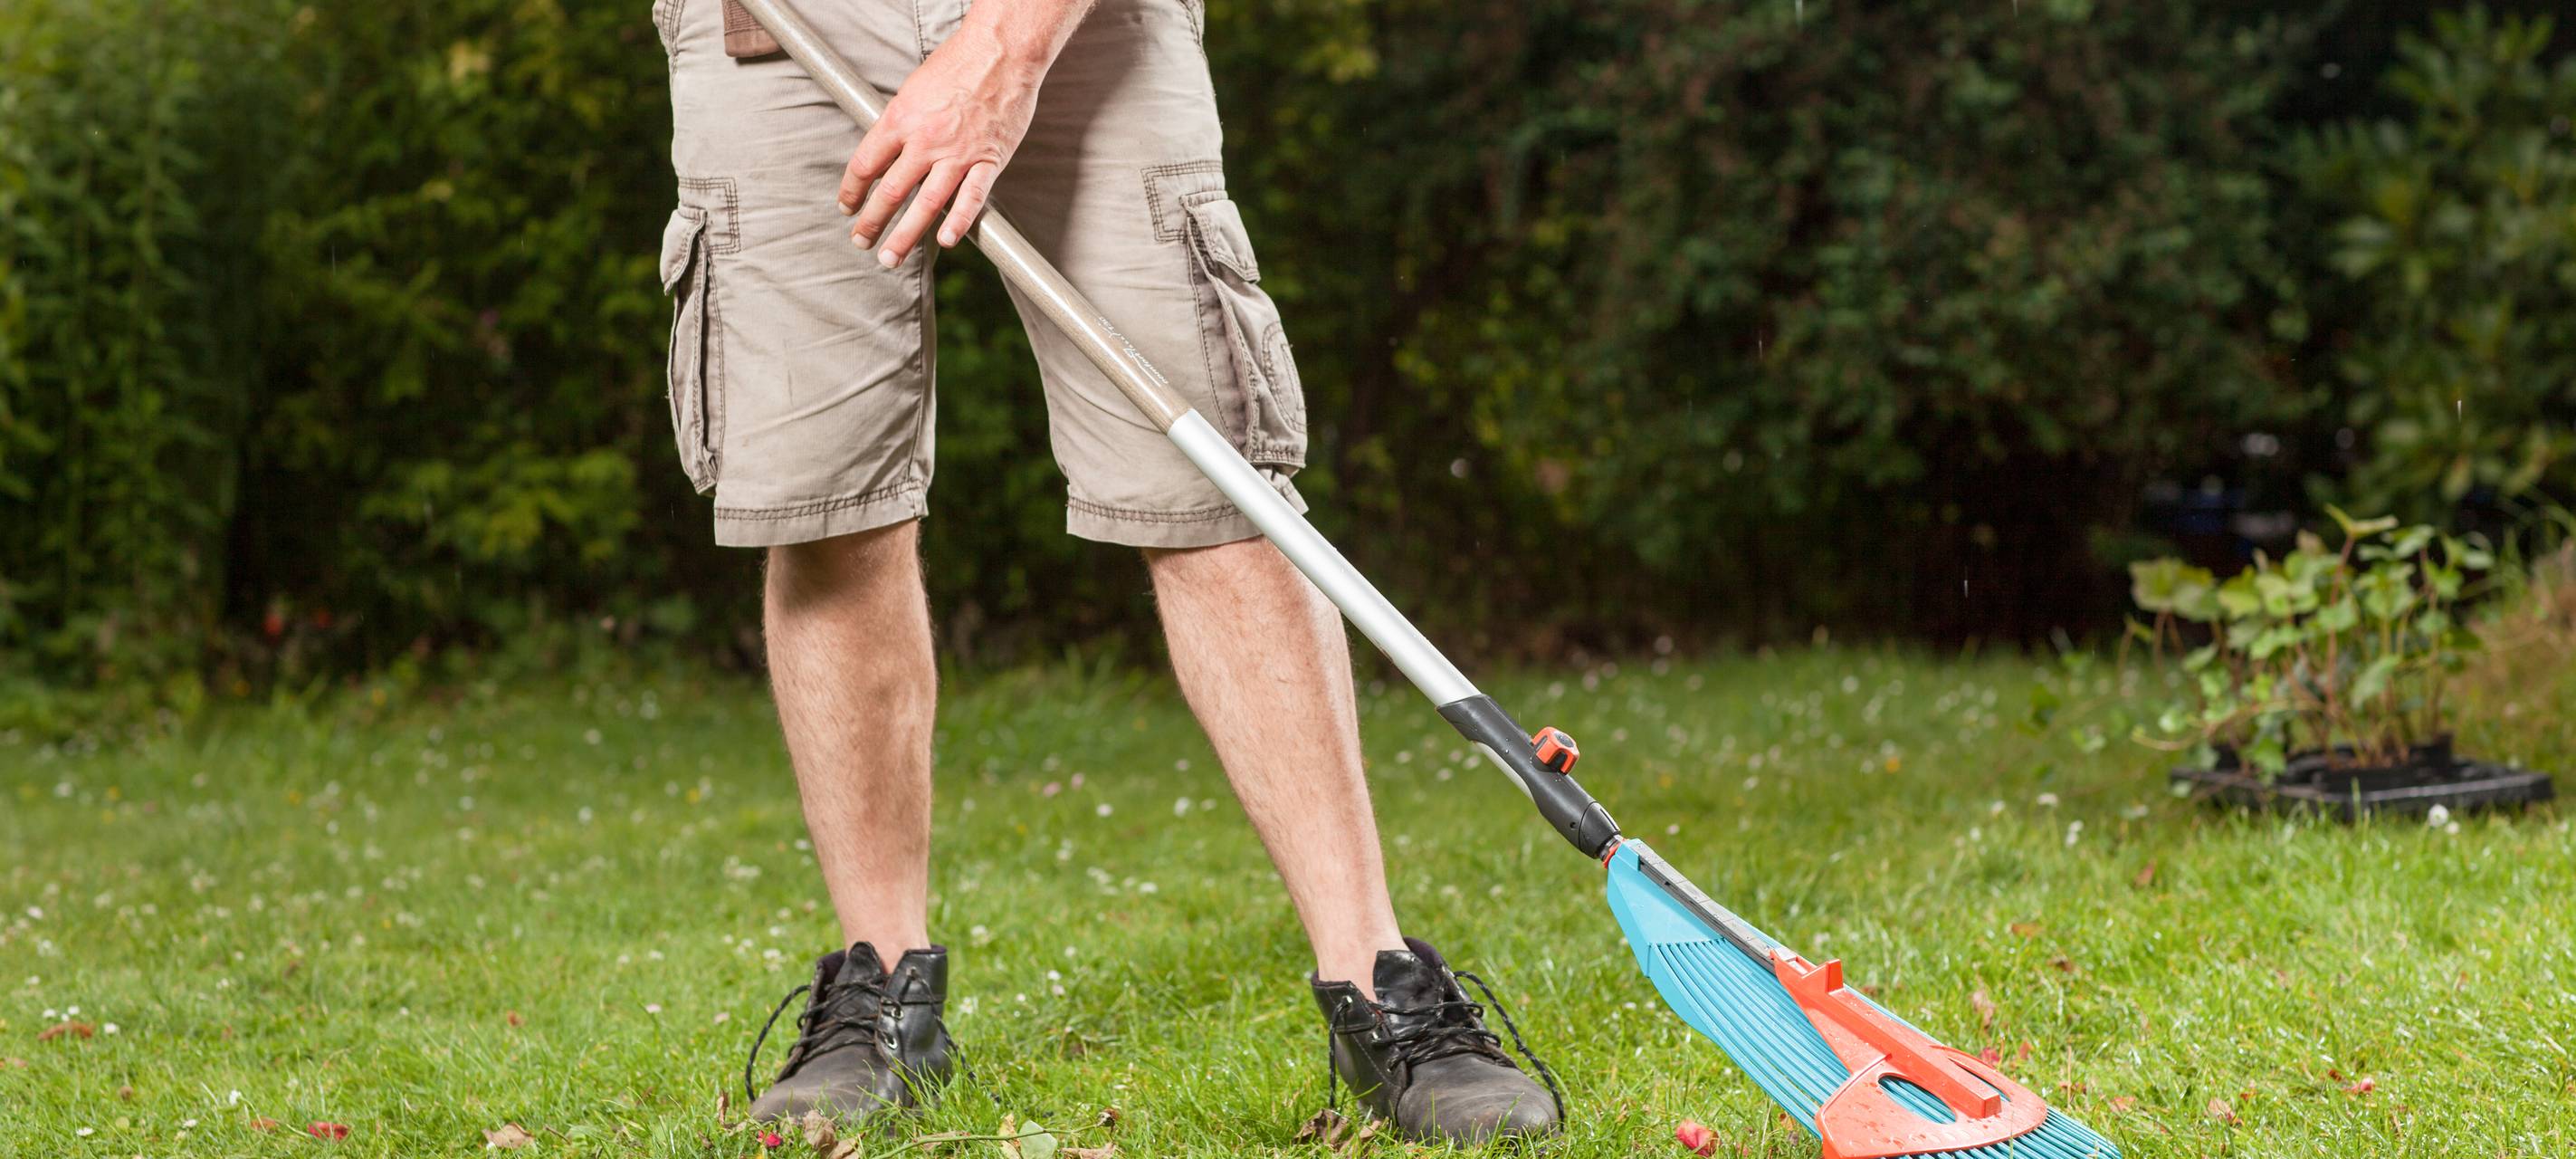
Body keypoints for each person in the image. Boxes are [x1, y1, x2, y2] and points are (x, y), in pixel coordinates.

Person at [653, 0, 1560, 1143]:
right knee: (824, 504)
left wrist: (1005, 46)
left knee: (1217, 492)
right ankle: (877, 997)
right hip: (779, 24)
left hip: (1087, 22)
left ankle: (1378, 983)